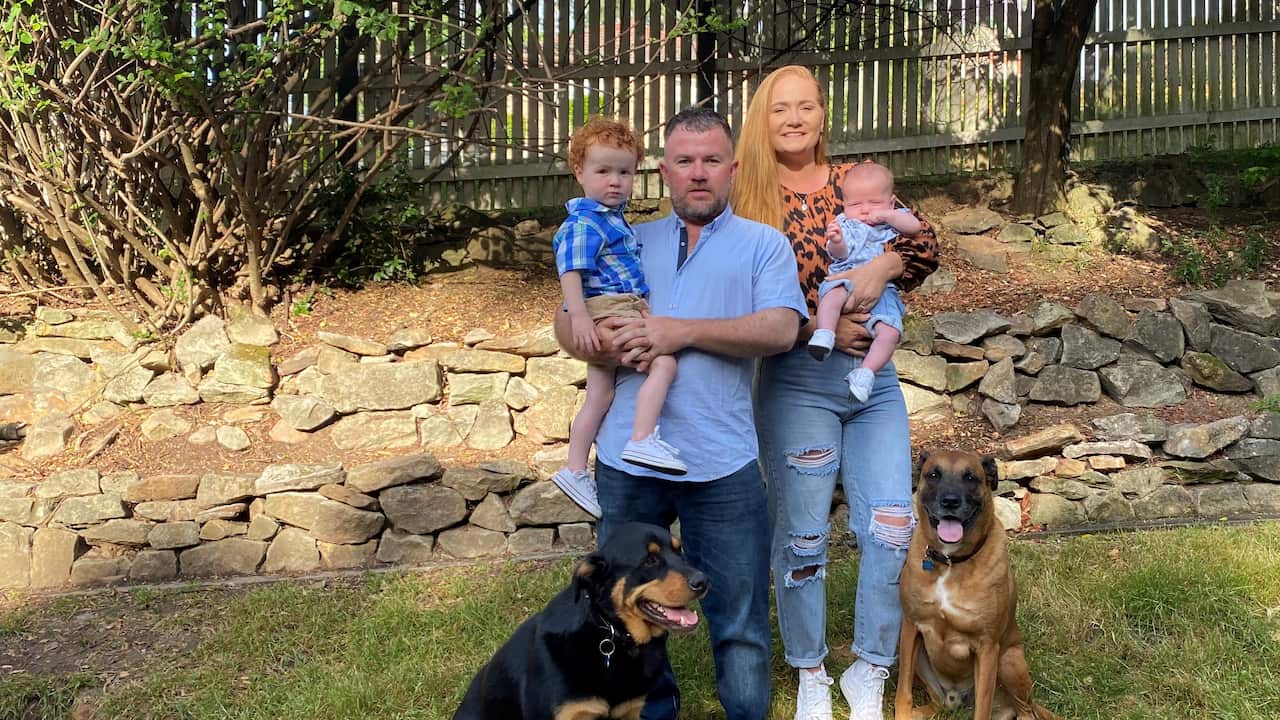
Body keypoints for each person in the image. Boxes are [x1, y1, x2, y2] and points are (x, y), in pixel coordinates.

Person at [555, 106, 807, 720]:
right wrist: (608, 340)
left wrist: (678, 331)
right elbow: (567, 324)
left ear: (733, 168)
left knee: (740, 614)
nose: (699, 174)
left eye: (712, 161)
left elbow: (780, 329)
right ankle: (651, 711)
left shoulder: (764, 245)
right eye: (685, 162)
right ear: (663, 171)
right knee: (630, 607)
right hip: (627, 461)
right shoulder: (626, 238)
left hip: (722, 464)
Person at [731, 65, 939, 720]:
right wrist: (817, 322)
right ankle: (813, 672)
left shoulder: (856, 181)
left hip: (873, 382)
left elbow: (926, 241)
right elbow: (738, 291)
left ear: (824, 114)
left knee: (890, 525)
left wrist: (884, 264)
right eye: (779, 109)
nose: (794, 119)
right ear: (762, 118)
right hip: (798, 381)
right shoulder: (746, 194)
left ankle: (871, 669)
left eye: (806, 107)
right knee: (803, 537)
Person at [551, 117, 685, 519]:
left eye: (624, 172)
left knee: (600, 395)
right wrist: (579, 318)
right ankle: (642, 438)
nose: (615, 181)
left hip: (609, 305)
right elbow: (570, 270)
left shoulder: (611, 218)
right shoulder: (586, 221)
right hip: (609, 306)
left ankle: (575, 468)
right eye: (603, 171)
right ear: (580, 173)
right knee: (663, 362)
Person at [807, 162, 922, 403]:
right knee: (832, 296)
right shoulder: (844, 223)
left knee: (890, 331)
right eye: (856, 205)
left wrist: (889, 215)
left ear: (891, 202)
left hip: (883, 291)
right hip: (844, 275)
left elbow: (915, 228)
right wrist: (836, 241)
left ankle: (866, 373)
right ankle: (825, 333)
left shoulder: (893, 219)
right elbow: (838, 254)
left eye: (874, 203)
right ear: (845, 205)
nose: (865, 211)